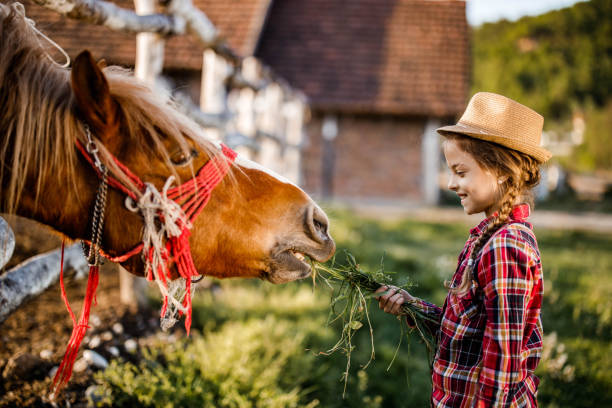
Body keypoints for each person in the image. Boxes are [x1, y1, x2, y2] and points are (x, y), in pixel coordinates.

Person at [376, 92, 551, 407]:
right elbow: (469, 330)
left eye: (461, 171)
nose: (450, 184)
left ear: (500, 170)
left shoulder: (505, 247)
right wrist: (410, 306)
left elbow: (504, 360)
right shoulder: (489, 236)